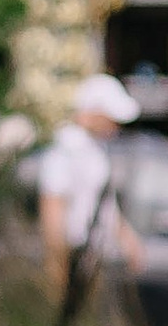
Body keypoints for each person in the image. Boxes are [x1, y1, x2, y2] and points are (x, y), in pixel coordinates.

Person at [34, 72, 141, 293]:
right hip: (72, 256)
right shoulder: (65, 150)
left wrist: (128, 241)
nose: (115, 126)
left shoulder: (94, 150)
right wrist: (57, 267)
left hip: (91, 256)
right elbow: (52, 208)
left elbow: (104, 207)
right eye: (110, 117)